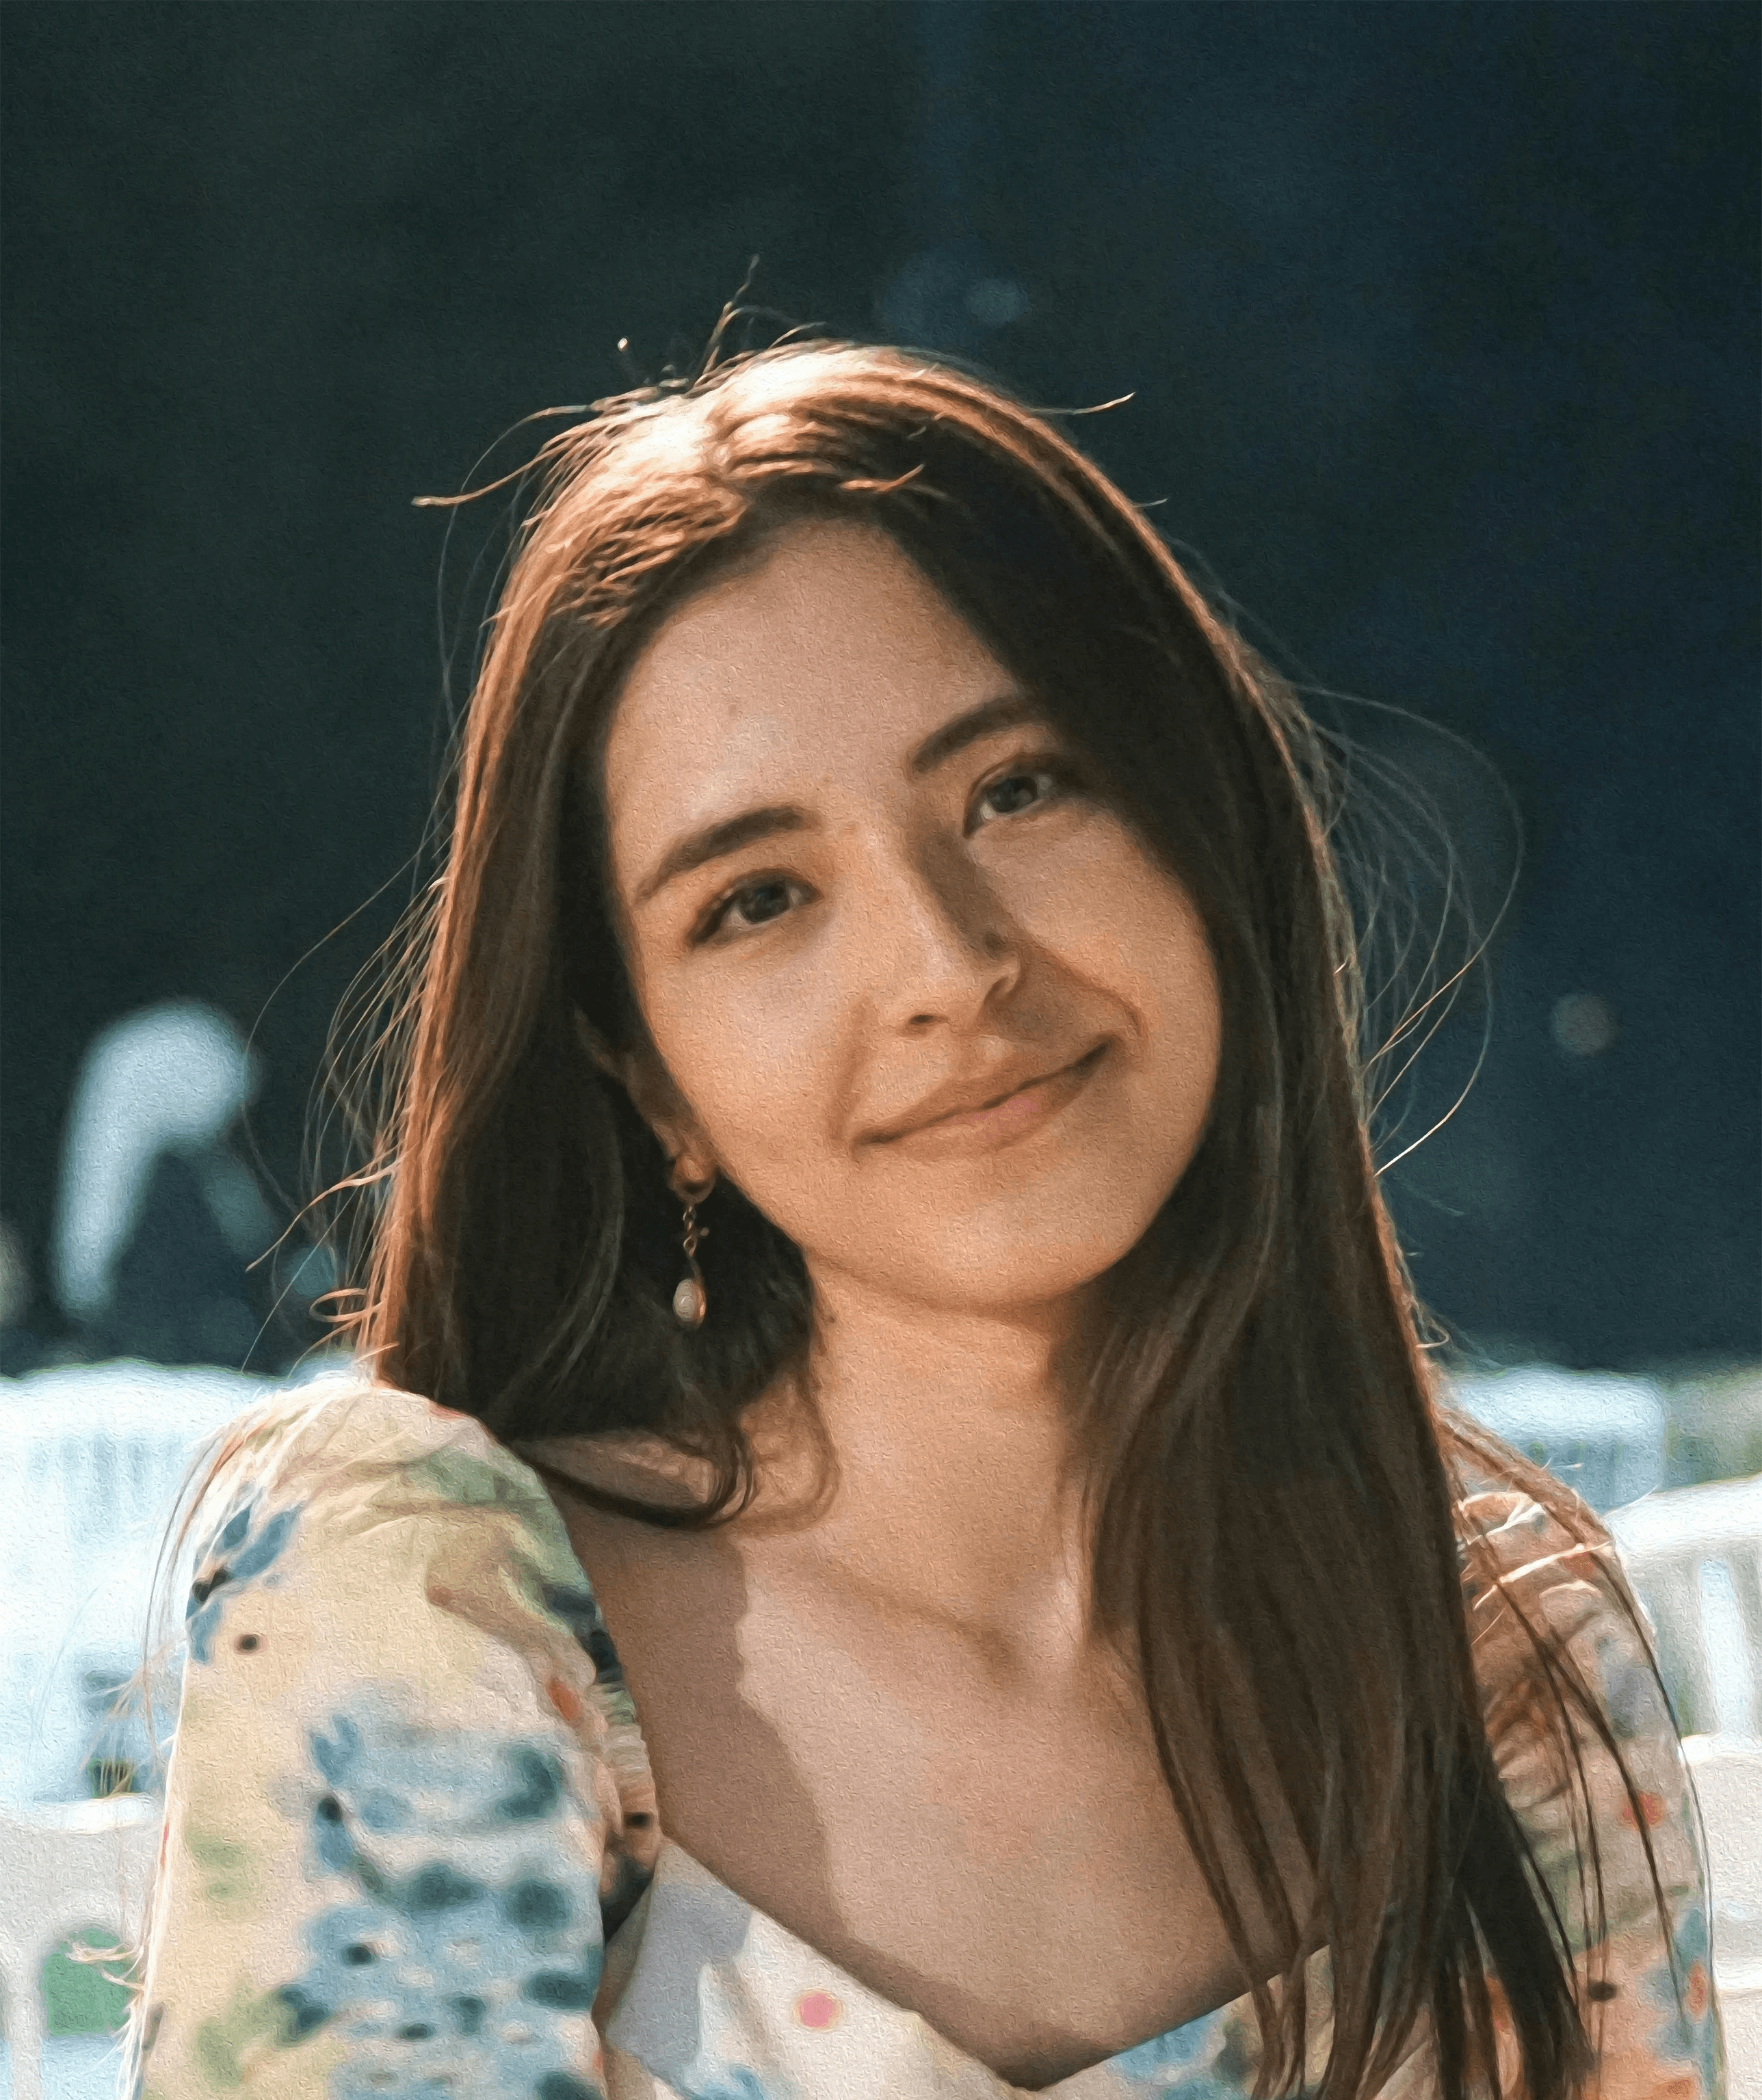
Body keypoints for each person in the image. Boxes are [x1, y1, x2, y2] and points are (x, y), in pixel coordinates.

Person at [124, 340, 1723, 2099]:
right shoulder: (428, 1612)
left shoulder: (1497, 1657)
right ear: (645, 1073)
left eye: (1016, 788)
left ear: (1206, 826)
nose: (950, 966)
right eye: (758, 899)